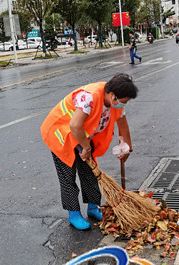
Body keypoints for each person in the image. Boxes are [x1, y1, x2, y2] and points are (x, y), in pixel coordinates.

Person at [40, 73, 138, 230]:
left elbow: (123, 124)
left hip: (82, 136)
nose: (123, 105)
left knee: (90, 173)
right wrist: (86, 148)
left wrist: (126, 146)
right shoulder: (89, 97)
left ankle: (93, 207)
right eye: (123, 101)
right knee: (68, 177)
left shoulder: (115, 103)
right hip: (62, 135)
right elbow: (74, 125)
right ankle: (74, 214)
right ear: (113, 95)